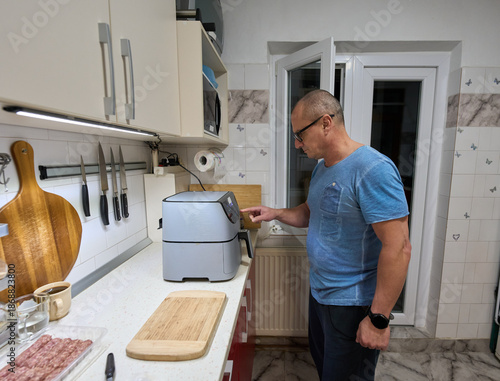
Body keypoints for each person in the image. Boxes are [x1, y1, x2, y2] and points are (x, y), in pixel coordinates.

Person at [241, 89, 411, 381]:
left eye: (300, 135)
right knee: (327, 372)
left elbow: (399, 248)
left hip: (353, 304)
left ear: (326, 123)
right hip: (321, 296)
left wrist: (378, 319)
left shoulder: (373, 169)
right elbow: (311, 212)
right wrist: (276, 212)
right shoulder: (323, 168)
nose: (297, 144)